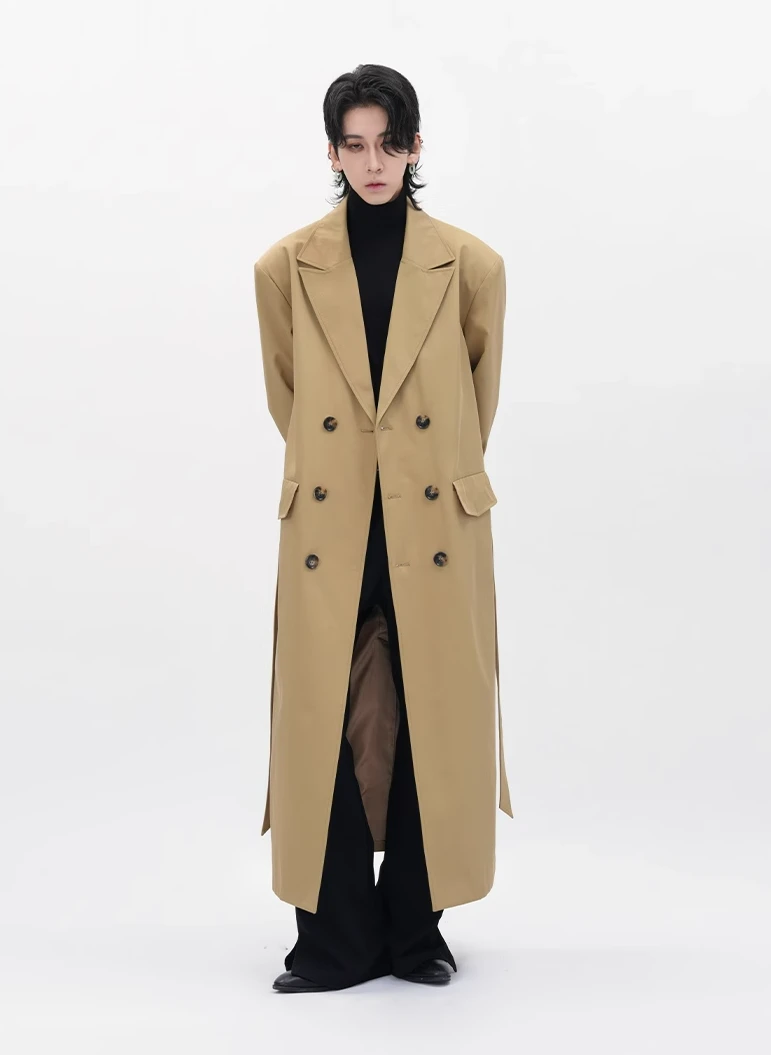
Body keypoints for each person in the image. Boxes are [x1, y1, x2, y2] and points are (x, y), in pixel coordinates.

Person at [254, 64, 513, 994]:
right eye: (355, 145)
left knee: (431, 715)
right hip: (330, 522)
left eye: (389, 144)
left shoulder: (471, 265)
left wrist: (412, 472)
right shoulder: (284, 267)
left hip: (433, 517)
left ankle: (416, 932)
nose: (373, 163)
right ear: (331, 152)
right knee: (319, 718)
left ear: (415, 148)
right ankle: (333, 940)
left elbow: (474, 403)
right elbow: (288, 397)